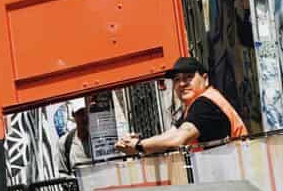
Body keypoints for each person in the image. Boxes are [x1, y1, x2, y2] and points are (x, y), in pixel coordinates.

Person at [114, 56, 248, 156]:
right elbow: (170, 135)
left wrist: (138, 146)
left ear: (205, 79)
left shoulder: (206, 103)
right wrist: (135, 143)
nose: (182, 84)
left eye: (188, 77)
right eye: (177, 79)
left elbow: (179, 138)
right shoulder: (192, 107)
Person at [58, 101, 92, 174]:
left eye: (87, 112)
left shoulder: (100, 139)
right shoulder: (64, 142)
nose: (85, 117)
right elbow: (63, 173)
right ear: (73, 115)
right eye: (81, 113)